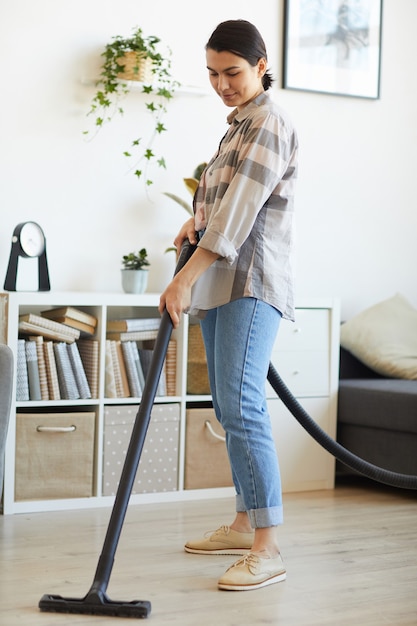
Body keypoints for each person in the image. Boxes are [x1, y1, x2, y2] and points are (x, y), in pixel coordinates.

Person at [159, 19, 298, 591]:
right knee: (228, 407)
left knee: (243, 407)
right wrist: (193, 220)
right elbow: (223, 206)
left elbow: (240, 218)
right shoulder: (236, 127)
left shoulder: (267, 123)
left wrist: (183, 280)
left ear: (261, 65)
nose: (222, 83)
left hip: (250, 284)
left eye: (232, 72)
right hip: (223, 282)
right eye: (213, 74)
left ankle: (268, 547)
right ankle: (245, 523)